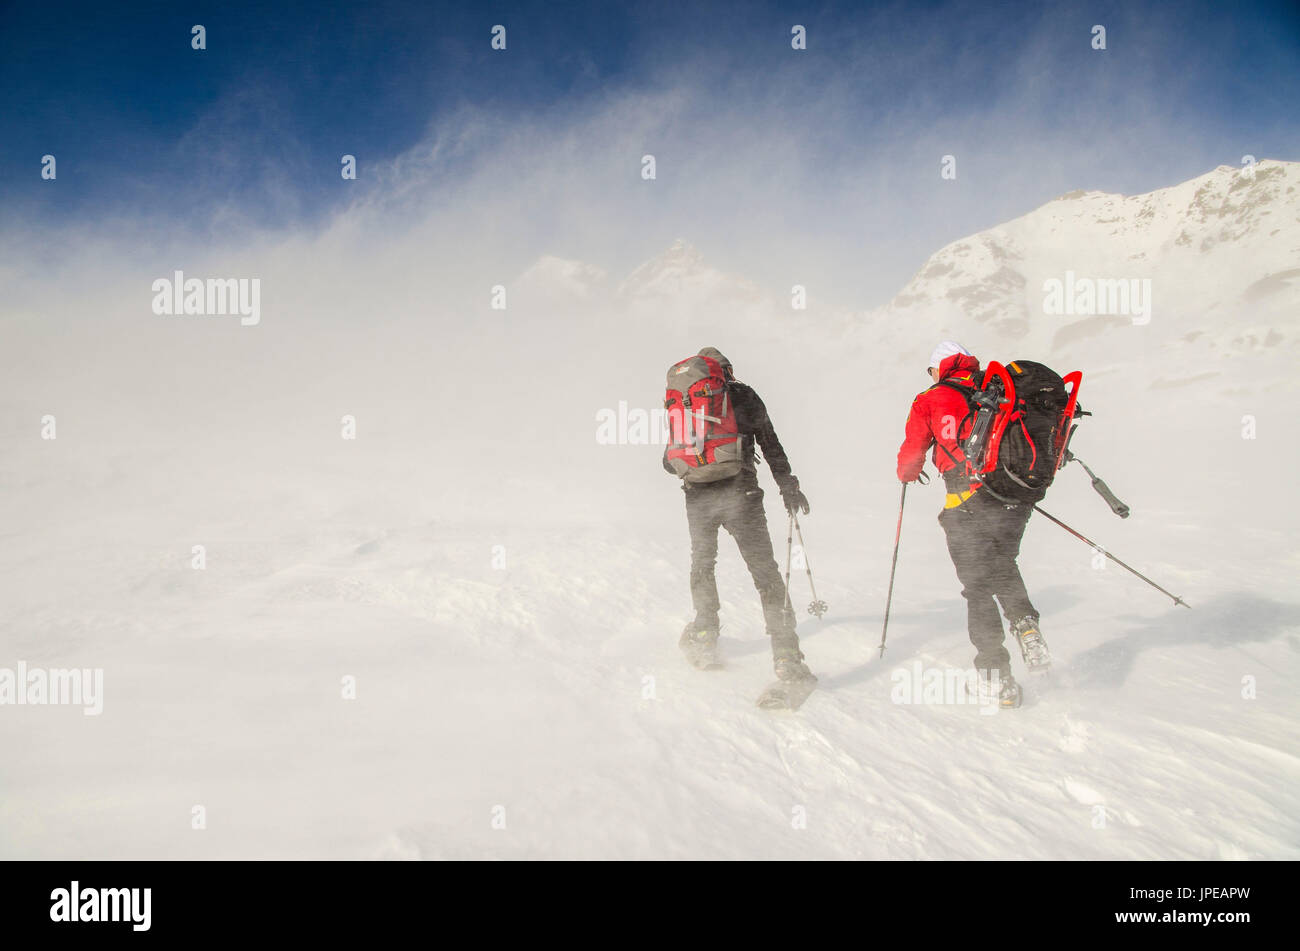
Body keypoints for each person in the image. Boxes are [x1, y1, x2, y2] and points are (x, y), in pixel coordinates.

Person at [895, 341, 1050, 707]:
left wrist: (906, 473)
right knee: (1002, 564)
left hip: (965, 500)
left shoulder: (930, 398)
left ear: (939, 368)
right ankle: (1025, 622)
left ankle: (997, 679)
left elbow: (912, 454)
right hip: (1014, 497)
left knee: (978, 589)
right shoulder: (994, 388)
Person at [664, 347, 814, 682]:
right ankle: (787, 656)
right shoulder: (743, 395)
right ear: (726, 371)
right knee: (765, 573)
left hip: (698, 499)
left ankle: (704, 634)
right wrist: (788, 486)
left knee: (703, 563)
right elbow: (770, 444)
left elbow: (668, 461)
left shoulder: (686, 405)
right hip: (741, 495)